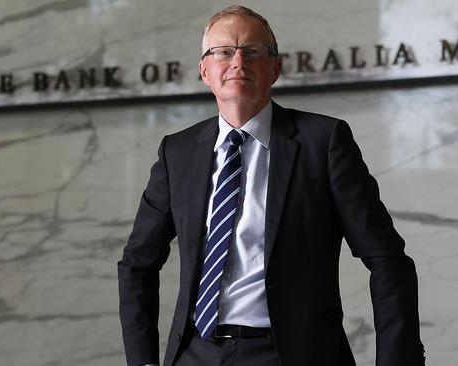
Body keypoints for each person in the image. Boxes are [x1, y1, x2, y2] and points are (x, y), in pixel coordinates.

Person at [118, 5, 425, 366]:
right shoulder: (178, 152)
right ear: (204, 70)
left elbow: (388, 260)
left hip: (289, 355)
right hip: (194, 354)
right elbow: (137, 262)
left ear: (275, 68)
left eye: (253, 51)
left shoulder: (323, 143)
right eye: (223, 52)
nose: (238, 62)